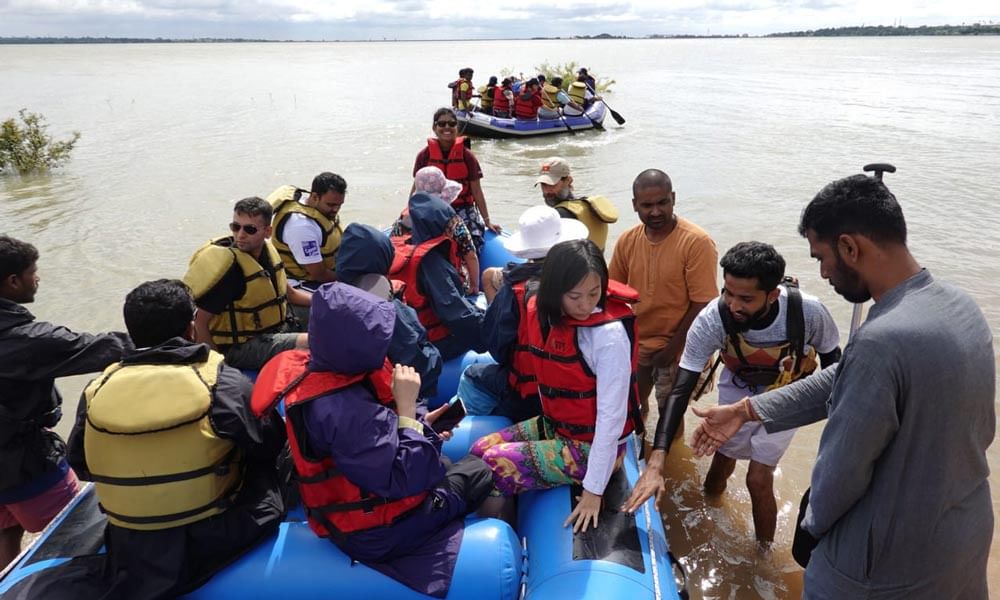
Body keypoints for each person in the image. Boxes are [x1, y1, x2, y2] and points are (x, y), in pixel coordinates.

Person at [689, 174, 995, 598]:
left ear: (850, 248)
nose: (823, 273)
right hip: (964, 531)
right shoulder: (958, 306)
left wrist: (812, 527)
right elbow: (846, 374)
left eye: (822, 257)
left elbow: (842, 471)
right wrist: (745, 410)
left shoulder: (882, 339)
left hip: (884, 562)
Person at [251, 283, 495, 598]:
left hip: (360, 502)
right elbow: (404, 477)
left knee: (445, 463)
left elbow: (381, 436)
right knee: (481, 470)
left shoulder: (328, 370)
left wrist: (420, 424)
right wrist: (407, 412)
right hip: (377, 532)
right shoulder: (343, 409)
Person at [65, 279, 287, 599]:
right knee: (268, 465)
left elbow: (82, 465)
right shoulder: (220, 381)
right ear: (191, 328)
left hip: (130, 542)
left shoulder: (98, 389)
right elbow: (268, 444)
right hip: (217, 534)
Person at [622, 242, 841, 546]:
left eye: (746, 299)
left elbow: (837, 370)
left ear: (773, 294)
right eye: (728, 293)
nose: (734, 305)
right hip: (737, 386)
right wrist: (656, 462)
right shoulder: (714, 317)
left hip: (788, 392)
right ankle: (710, 513)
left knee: (758, 478)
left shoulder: (810, 312)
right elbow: (681, 388)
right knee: (722, 459)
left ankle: (762, 556)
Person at [471, 239, 642, 533]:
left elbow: (611, 418)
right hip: (560, 427)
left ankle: (500, 544)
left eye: (594, 293)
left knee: (494, 464)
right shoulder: (543, 314)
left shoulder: (608, 336)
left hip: (594, 449)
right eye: (575, 296)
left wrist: (593, 492)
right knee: (478, 450)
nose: (586, 305)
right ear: (554, 292)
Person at [0, 236, 130, 570]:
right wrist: (164, 337)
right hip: (26, 464)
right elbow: (97, 348)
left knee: (6, 534)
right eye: (33, 272)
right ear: (13, 282)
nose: (38, 278)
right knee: (78, 533)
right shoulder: (27, 340)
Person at [609, 169, 719, 421]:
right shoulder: (627, 240)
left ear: (674, 198)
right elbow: (613, 292)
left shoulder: (696, 242)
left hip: (679, 347)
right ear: (635, 205)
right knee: (633, 408)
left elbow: (703, 303)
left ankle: (665, 456)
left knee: (670, 416)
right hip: (638, 342)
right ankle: (641, 452)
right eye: (647, 205)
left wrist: (672, 348)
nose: (655, 212)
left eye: (662, 203)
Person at [460, 206, 588, 421]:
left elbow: (496, 347)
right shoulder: (586, 285)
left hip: (528, 397)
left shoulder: (514, 289)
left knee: (470, 376)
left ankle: (497, 426)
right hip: (575, 394)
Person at [183, 196, 311, 370]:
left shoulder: (268, 252)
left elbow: (290, 294)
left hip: (274, 328)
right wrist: (217, 370)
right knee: (310, 342)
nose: (240, 235)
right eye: (236, 227)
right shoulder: (231, 270)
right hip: (239, 348)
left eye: (249, 229)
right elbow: (199, 322)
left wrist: (326, 301)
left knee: (327, 312)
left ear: (268, 232)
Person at [336, 222, 443, 399]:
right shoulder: (387, 310)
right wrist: (434, 356)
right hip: (390, 398)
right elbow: (419, 364)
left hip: (345, 392)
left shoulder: (331, 299)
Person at [389, 192, 486, 360]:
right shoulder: (431, 263)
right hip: (430, 342)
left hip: (403, 337)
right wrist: (489, 335)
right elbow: (455, 313)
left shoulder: (394, 249)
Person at [412, 107, 500, 253]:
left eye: (452, 124)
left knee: (471, 240)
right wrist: (409, 211)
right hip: (431, 209)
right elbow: (416, 187)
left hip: (462, 208)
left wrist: (487, 221)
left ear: (457, 127)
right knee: (416, 239)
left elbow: (477, 191)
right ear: (434, 127)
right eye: (442, 124)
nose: (447, 127)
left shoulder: (467, 156)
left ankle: (466, 271)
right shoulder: (424, 155)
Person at [394, 166, 480, 294]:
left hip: (411, 283)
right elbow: (470, 255)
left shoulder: (403, 219)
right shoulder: (453, 221)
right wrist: (474, 286)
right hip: (447, 285)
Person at [268, 172, 347, 291]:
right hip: (304, 282)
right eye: (331, 205)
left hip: (329, 271)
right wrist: (350, 280)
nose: (336, 209)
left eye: (339, 205)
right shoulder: (302, 227)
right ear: (315, 197)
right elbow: (319, 274)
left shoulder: (317, 207)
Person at [535, 156, 618, 251]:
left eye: (552, 184)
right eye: (543, 185)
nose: (547, 191)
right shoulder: (589, 206)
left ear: (568, 180)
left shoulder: (559, 215)